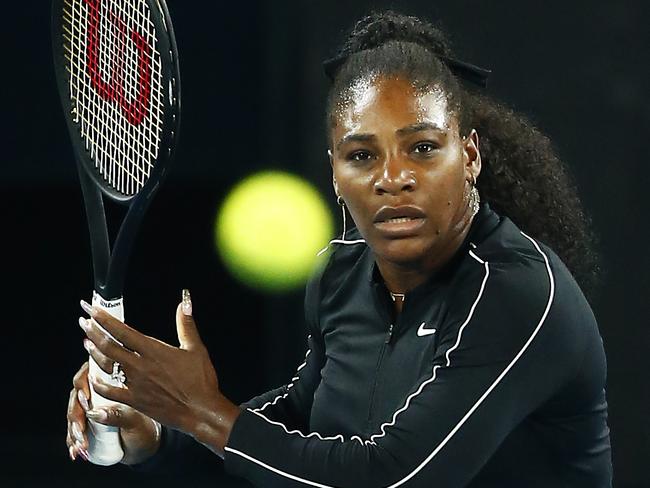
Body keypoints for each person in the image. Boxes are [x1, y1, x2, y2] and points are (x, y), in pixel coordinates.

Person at [66, 11, 612, 487]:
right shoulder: (339, 275)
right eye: (361, 155)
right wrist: (163, 432)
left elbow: (393, 477)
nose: (393, 178)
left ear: (468, 156)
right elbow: (301, 428)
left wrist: (204, 412)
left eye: (422, 149)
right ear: (333, 171)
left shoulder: (517, 293)